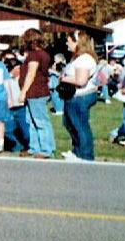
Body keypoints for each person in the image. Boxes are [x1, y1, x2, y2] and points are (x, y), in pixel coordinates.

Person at [59, 32, 100, 162]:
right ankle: (77, 150)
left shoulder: (85, 59)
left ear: (77, 42)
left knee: (80, 125)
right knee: (70, 123)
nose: (67, 43)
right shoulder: (77, 58)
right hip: (74, 95)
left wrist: (64, 79)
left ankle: (85, 154)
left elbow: (81, 81)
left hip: (81, 96)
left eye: (69, 41)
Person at [16, 28, 56, 159]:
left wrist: (23, 92)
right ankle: (34, 147)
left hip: (35, 92)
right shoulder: (44, 54)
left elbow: (31, 74)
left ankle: (46, 149)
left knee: (40, 121)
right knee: (31, 121)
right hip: (37, 92)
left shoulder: (34, 55)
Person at [1, 51, 29, 154]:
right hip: (8, 107)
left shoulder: (22, 73)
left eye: (12, 60)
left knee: (26, 131)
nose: (10, 63)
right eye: (7, 61)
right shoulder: (2, 74)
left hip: (21, 106)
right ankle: (17, 146)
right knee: (7, 130)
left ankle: (29, 146)